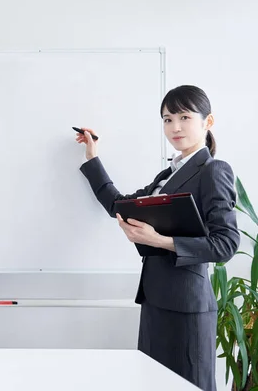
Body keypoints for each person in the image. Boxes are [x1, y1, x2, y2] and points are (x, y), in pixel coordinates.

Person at [76, 85, 240, 391]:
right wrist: (92, 157)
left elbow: (226, 244)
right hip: (155, 301)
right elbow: (118, 205)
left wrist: (160, 241)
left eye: (184, 117)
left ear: (208, 122)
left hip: (187, 306)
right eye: (167, 119)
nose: (174, 127)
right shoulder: (166, 176)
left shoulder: (214, 170)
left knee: (189, 385)